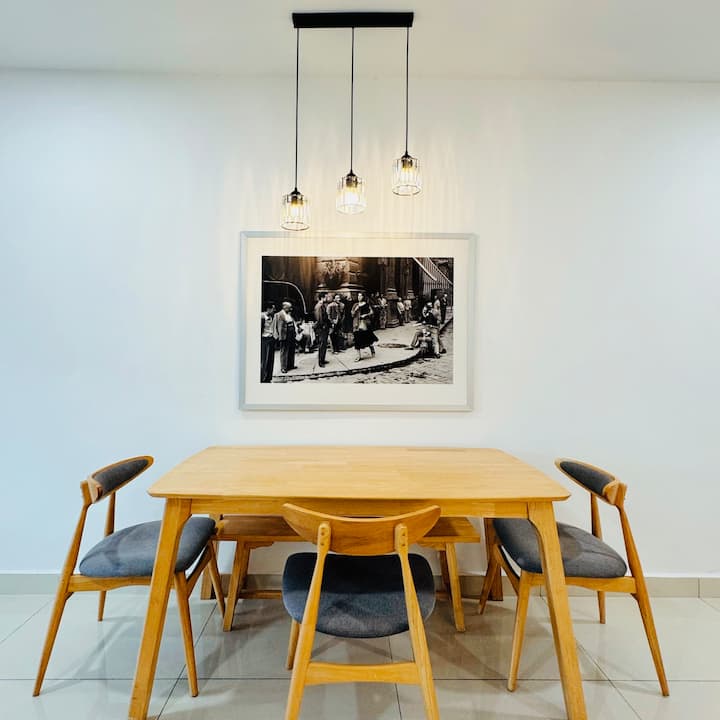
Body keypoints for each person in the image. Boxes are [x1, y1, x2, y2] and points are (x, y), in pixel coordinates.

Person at [351, 292, 378, 361]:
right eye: (358, 296)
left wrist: (366, 315)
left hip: (364, 323)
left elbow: (371, 312)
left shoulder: (366, 304)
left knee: (367, 338)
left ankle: (372, 348)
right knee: (357, 339)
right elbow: (352, 314)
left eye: (360, 296)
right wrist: (355, 310)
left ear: (363, 297)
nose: (359, 297)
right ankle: (358, 356)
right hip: (356, 324)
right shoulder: (355, 305)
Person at [274, 301, 296, 373]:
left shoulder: (289, 314)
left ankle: (290, 365)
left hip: (291, 333)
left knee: (291, 349)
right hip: (284, 334)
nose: (290, 309)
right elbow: (277, 326)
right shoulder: (279, 314)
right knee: (284, 351)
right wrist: (278, 335)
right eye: (289, 308)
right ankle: (283, 367)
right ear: (284, 307)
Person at [314, 292, 332, 367]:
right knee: (322, 344)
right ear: (322, 298)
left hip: (324, 327)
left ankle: (322, 359)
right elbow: (319, 318)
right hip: (322, 328)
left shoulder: (322, 305)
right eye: (326, 297)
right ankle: (320, 362)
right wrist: (323, 326)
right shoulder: (319, 306)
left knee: (324, 344)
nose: (327, 298)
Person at [260, 301, 276, 382]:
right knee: (264, 360)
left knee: (270, 359)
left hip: (271, 339)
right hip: (264, 340)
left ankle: (268, 377)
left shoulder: (272, 316)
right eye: (273, 309)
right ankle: (263, 378)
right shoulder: (262, 317)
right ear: (268, 309)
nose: (274, 310)